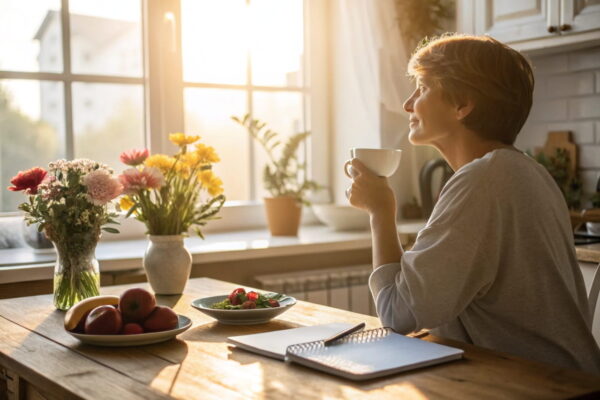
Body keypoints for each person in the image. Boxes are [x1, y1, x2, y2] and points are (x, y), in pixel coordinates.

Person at [345, 33, 600, 374]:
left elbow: (397, 315)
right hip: (563, 377)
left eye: (422, 88)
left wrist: (380, 213)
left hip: (540, 386)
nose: (408, 104)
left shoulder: (483, 181)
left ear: (462, 104)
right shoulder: (525, 171)